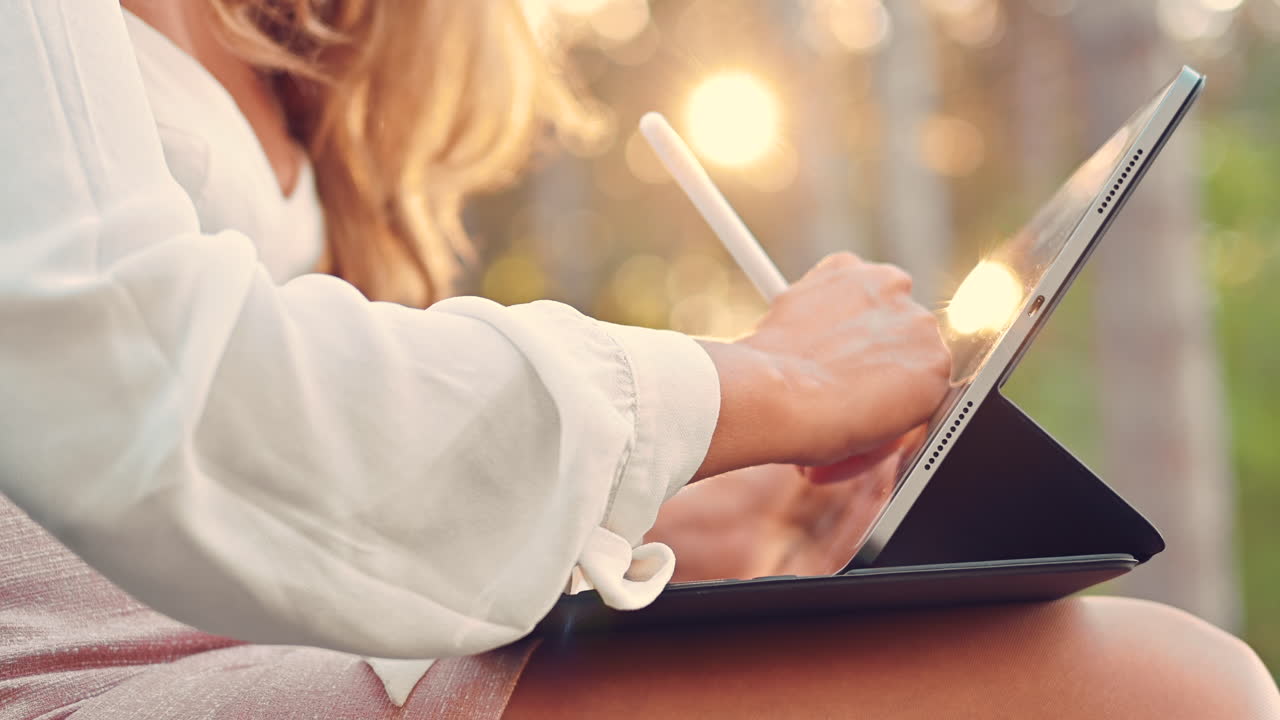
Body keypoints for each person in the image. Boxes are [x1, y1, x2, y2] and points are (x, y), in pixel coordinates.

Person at [0, 1, 1274, 717]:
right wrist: (765, 381)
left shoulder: (333, 66)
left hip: (297, 655)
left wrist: (707, 515)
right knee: (1163, 693)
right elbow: (138, 369)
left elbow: (326, 498)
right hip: (88, 689)